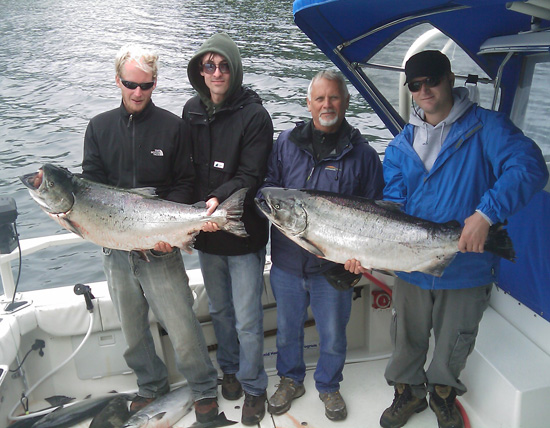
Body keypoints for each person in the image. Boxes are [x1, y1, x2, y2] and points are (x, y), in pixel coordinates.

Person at [347, 50, 549, 428]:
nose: (425, 90)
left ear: (450, 78)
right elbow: (392, 208)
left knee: (456, 338)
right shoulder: (398, 147)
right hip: (410, 267)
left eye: (432, 81)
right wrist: (363, 250)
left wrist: (486, 214)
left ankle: (443, 392)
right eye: (416, 85)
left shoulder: (487, 128)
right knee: (405, 336)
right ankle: (407, 392)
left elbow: (529, 166)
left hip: (467, 264)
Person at [81, 44, 220, 424]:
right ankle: (151, 385)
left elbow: (185, 184)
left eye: (146, 85)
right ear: (118, 81)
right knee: (132, 325)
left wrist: (164, 231)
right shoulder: (98, 127)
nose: (138, 92)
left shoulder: (173, 127)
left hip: (161, 244)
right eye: (130, 84)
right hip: (115, 246)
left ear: (156, 83)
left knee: (180, 321)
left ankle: (205, 387)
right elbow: (90, 187)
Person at [260, 70, 384, 422]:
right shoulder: (285, 143)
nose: (326, 104)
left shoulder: (363, 155)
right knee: (287, 329)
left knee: (332, 334)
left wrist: (364, 259)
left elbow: (377, 212)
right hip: (286, 262)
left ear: (345, 102)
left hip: (335, 268)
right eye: (320, 98)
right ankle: (291, 380)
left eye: (333, 98)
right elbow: (269, 187)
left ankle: (329, 386)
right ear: (309, 103)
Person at [183, 33, 274, 426]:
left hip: (243, 234)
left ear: (234, 70)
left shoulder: (256, 116)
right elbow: (184, 170)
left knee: (248, 318)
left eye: (223, 66)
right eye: (209, 66)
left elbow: (251, 174)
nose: (216, 73)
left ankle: (254, 385)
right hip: (206, 233)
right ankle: (231, 369)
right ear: (200, 71)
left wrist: (216, 199)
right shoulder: (190, 111)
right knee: (219, 309)